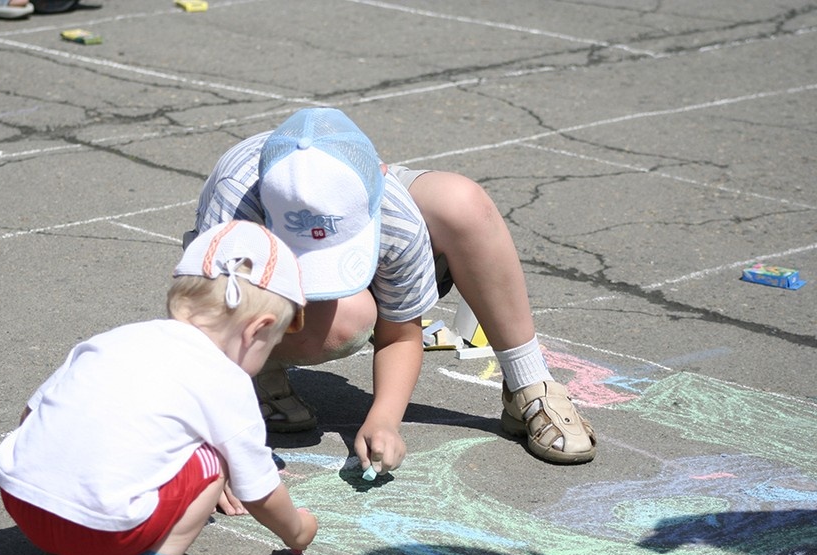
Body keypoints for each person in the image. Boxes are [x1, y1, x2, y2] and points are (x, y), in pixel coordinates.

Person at [192, 107, 596, 477]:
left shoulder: (395, 215)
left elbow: (401, 335)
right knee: (344, 320)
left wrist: (384, 419)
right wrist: (216, 446)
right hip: (252, 268)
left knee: (463, 205)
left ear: (378, 181)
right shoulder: (238, 202)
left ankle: (530, 383)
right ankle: (259, 370)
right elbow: (207, 322)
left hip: (354, 205)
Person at [0, 221, 318, 555]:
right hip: (98, 533)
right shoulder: (226, 381)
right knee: (210, 462)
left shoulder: (113, 339)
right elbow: (259, 489)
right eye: (274, 345)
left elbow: (32, 415)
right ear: (259, 330)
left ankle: (61, 548)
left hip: (25, 507)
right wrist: (297, 531)